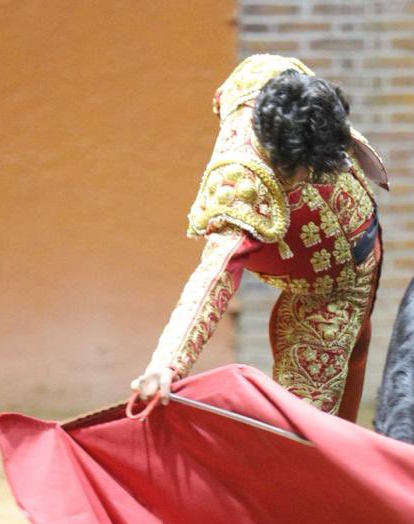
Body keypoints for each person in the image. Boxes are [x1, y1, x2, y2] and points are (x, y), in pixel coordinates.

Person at [132, 54, 387, 422]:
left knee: (351, 369)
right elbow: (213, 276)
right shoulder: (241, 184)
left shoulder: (267, 73)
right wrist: (167, 364)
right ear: (282, 159)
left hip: (360, 253)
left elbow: (226, 97)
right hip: (325, 294)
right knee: (308, 430)